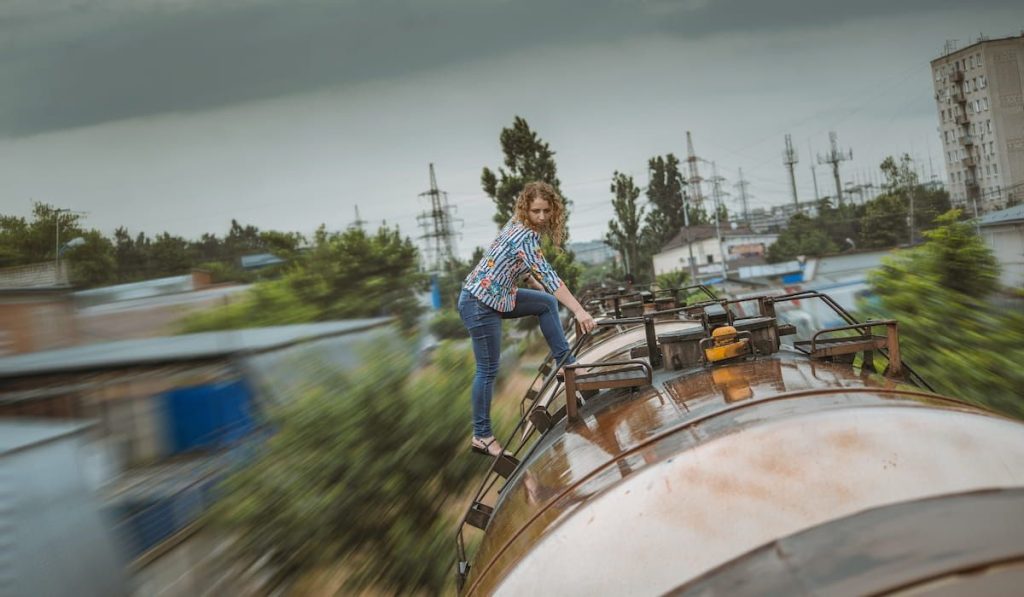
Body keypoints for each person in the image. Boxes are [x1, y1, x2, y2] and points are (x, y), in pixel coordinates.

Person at [458, 181, 597, 457]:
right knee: (487, 370)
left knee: (545, 303)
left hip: (496, 295)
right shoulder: (525, 235)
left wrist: (530, 280)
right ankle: (482, 435)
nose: (542, 217)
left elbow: (510, 260)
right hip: (479, 304)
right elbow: (551, 277)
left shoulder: (519, 224)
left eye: (547, 211)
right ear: (526, 208)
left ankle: (566, 365)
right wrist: (579, 310)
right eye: (536, 211)